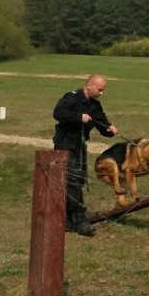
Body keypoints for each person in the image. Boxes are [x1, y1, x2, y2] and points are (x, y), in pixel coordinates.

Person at [53, 74, 119, 236]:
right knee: (73, 179)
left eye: (103, 90)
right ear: (89, 85)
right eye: (100, 89)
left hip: (80, 146)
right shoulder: (71, 98)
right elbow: (58, 113)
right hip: (65, 144)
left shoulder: (95, 106)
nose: (102, 93)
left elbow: (102, 124)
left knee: (78, 180)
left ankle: (67, 219)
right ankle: (78, 220)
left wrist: (110, 129)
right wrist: (78, 117)